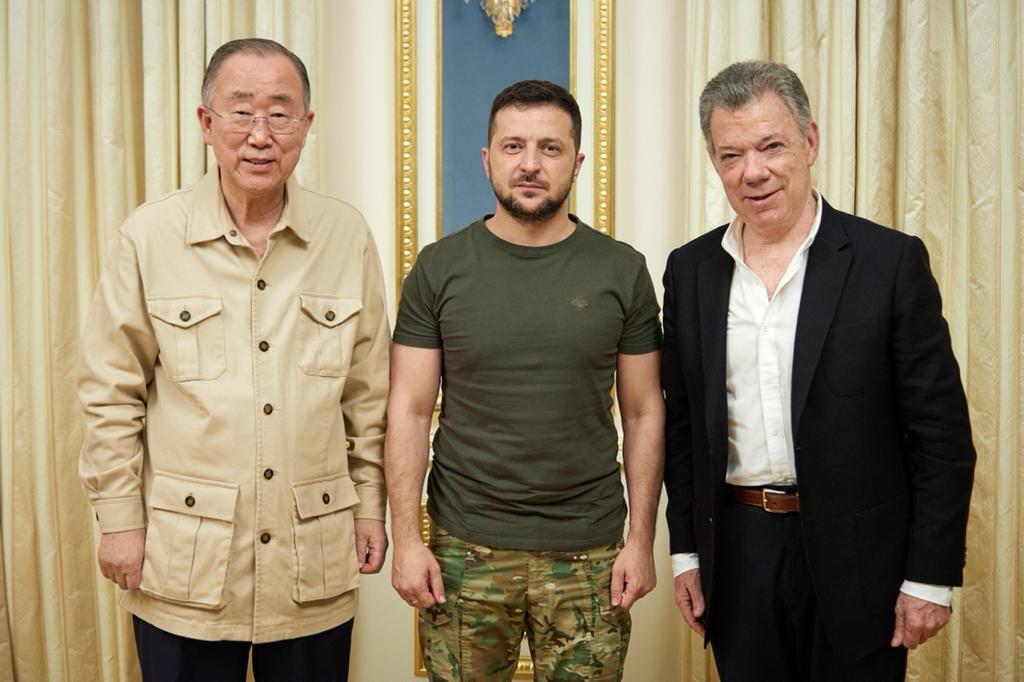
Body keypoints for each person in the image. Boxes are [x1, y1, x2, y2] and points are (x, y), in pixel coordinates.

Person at [78, 38, 389, 681]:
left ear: (306, 125)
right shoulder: (149, 236)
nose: (259, 134)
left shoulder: (345, 235)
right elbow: (111, 392)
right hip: (184, 562)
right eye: (241, 110)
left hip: (313, 558)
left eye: (280, 112)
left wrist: (369, 506)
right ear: (205, 122)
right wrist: (117, 520)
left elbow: (370, 394)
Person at [662, 60, 976, 681]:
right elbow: (682, 427)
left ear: (809, 141)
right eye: (731, 155)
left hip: (863, 560)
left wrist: (930, 576)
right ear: (715, 162)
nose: (753, 171)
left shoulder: (889, 262)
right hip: (739, 550)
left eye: (770, 145)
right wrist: (686, 553)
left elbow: (940, 437)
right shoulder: (689, 270)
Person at [385, 80, 664, 681]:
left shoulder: (622, 270)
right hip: (464, 550)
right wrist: (407, 540)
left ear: (577, 161)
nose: (530, 164)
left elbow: (644, 412)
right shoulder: (438, 268)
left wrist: (641, 541)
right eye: (513, 147)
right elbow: (407, 408)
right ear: (487, 159)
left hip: (590, 552)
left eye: (550, 148)